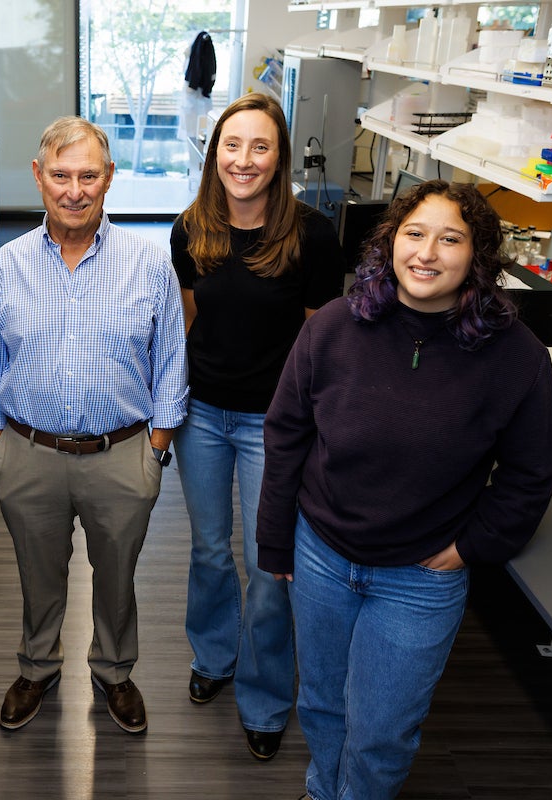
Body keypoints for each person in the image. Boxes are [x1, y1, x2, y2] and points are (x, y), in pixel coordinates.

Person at [257, 180, 552, 800]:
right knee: (319, 703)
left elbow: (532, 472)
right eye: (414, 233)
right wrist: (275, 542)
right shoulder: (337, 326)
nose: (426, 253)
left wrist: (472, 547)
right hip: (321, 554)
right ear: (390, 241)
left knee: (382, 730)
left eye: (450, 239)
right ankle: (322, 790)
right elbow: (286, 431)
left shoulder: (515, 354)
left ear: (476, 255)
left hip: (419, 578)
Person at [0, 115, 189, 735]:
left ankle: (115, 672)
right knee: (38, 575)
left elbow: (172, 360)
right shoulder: (6, 266)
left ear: (109, 179)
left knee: (117, 578)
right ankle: (37, 666)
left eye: (88, 176)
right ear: (39, 178)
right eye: (61, 176)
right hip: (28, 450)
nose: (75, 190)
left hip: (122, 453)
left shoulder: (148, 264)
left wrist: (156, 450)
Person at [170, 92, 346, 761]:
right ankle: (213, 658)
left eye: (260, 147)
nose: (243, 160)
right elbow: (191, 325)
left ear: (279, 156)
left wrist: (317, 428)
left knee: (270, 563)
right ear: (215, 152)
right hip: (203, 416)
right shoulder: (190, 229)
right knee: (211, 551)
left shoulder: (313, 235)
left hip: (276, 424)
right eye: (231, 145)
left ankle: (266, 695)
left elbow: (322, 342)